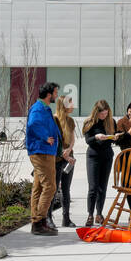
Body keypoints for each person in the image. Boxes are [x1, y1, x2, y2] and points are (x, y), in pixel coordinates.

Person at [26, 81, 60, 236]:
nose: (56, 95)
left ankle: (36, 222)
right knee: (50, 186)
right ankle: (40, 221)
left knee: (39, 187)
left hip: (46, 151)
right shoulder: (38, 108)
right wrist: (46, 137)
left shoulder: (44, 108)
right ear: (49, 94)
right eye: (55, 92)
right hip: (41, 151)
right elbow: (33, 124)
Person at [82, 99, 122, 227]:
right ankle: (90, 215)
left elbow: (113, 139)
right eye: (101, 114)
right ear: (96, 112)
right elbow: (88, 140)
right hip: (93, 156)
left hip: (107, 156)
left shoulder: (111, 122)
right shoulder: (89, 122)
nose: (104, 116)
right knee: (93, 187)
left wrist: (115, 137)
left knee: (102, 187)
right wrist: (96, 137)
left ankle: (99, 214)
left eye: (106, 113)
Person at [52, 94, 78, 228]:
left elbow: (73, 138)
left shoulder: (70, 121)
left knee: (66, 189)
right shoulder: (54, 119)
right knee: (54, 188)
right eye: (70, 103)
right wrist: (64, 153)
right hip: (57, 159)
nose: (72, 106)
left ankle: (66, 218)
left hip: (69, 158)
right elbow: (55, 140)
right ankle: (48, 218)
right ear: (63, 105)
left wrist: (69, 150)